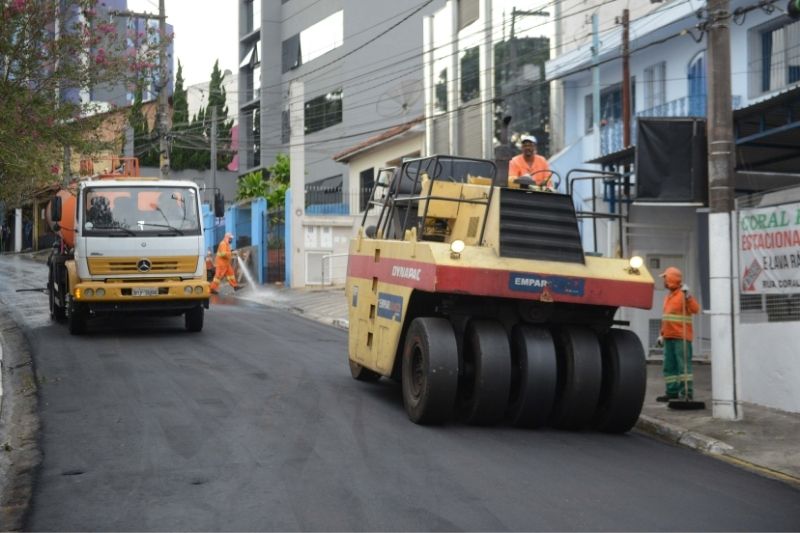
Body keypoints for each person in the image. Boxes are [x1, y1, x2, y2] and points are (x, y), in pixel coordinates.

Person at [656, 266, 701, 402]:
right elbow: (666, 318)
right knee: (669, 367)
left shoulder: (683, 294)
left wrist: (688, 296)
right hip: (669, 337)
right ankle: (672, 392)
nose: (664, 281)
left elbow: (695, 309)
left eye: (665, 278)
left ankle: (686, 393)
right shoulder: (669, 297)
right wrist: (661, 334)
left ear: (671, 280)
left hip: (681, 337)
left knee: (683, 367)